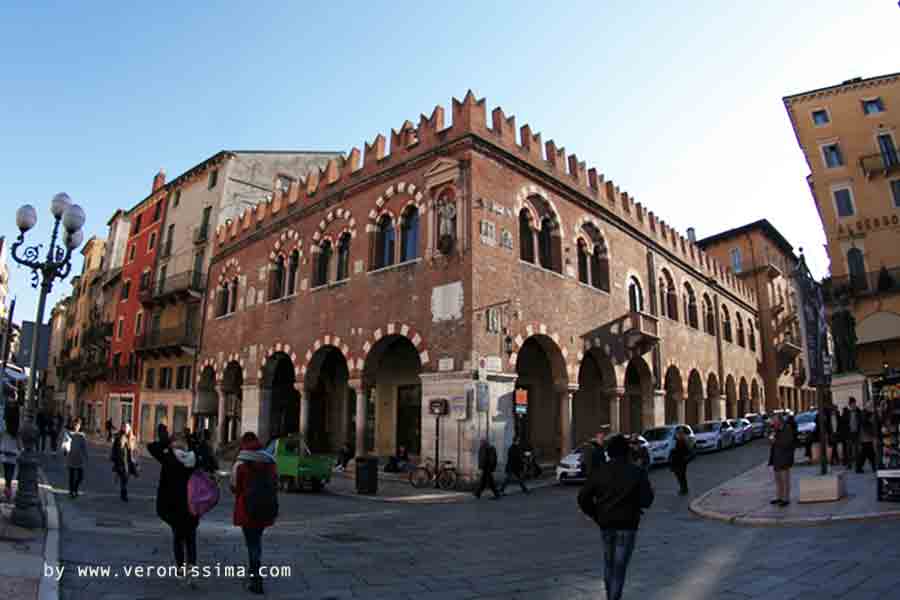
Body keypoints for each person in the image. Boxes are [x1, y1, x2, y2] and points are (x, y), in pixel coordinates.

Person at [578, 435, 654, 600]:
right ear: (626, 452)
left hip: (606, 523)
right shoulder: (637, 471)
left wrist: (595, 514)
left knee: (609, 564)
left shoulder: (599, 471)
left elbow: (583, 497)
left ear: (609, 452)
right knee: (619, 568)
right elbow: (647, 500)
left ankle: (610, 596)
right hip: (628, 525)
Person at [147, 430, 201, 585]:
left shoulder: (169, 457)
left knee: (178, 538)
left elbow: (152, 447)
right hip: (191, 505)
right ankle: (192, 571)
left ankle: (180, 569)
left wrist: (166, 442)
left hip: (173, 505)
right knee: (191, 538)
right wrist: (194, 443)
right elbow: (207, 457)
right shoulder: (193, 457)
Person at [231, 432, 278, 595]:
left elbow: (235, 487)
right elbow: (275, 483)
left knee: (252, 543)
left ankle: (255, 579)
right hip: (265, 508)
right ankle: (254, 572)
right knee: (256, 541)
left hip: (247, 508)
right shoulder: (270, 461)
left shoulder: (241, 463)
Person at [768, 414, 795, 506]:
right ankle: (779, 497)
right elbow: (772, 442)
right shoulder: (775, 430)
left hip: (784, 458)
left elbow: (787, 443)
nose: (773, 422)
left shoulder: (787, 429)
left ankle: (786, 498)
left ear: (779, 421)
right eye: (773, 421)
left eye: (774, 420)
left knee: (785, 480)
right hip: (776, 458)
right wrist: (771, 438)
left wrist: (775, 441)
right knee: (778, 480)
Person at [110, 423, 137, 502]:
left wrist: (136, 460)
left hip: (129, 461)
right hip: (121, 461)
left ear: (129, 429)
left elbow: (135, 450)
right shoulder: (119, 437)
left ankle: (123, 490)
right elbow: (114, 448)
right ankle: (124, 494)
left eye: (126, 427)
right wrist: (114, 458)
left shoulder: (132, 437)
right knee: (124, 477)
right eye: (123, 427)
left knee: (126, 478)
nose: (125, 429)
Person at [63, 417, 89, 498]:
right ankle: (71, 492)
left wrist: (86, 456)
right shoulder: (68, 433)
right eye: (75, 424)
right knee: (71, 476)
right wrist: (65, 450)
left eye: (78, 425)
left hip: (79, 458)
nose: (76, 426)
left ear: (80, 426)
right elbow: (64, 444)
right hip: (71, 457)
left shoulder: (82, 435)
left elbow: (84, 447)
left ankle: (75, 489)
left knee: (80, 477)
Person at [1, 407, 21, 502]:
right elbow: (18, 442)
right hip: (13, 453)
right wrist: (20, 449)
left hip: (5, 452)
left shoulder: (5, 426)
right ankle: (8, 492)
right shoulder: (16, 427)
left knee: (6, 475)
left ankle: (7, 491)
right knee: (10, 474)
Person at [670, 429, 691, 495]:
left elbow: (686, 451)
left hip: (681, 462)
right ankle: (683, 489)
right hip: (678, 461)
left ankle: (684, 489)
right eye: (677, 434)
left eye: (678, 434)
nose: (677, 435)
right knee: (680, 476)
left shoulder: (683, 441)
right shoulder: (678, 441)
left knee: (681, 476)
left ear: (681, 434)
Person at [846, 397, 862, 466]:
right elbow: (844, 423)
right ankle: (849, 463)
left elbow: (861, 421)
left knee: (857, 448)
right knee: (849, 449)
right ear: (849, 405)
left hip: (857, 432)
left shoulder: (858, 411)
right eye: (852, 404)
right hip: (849, 433)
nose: (853, 405)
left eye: (854, 403)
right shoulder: (847, 412)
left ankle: (857, 462)